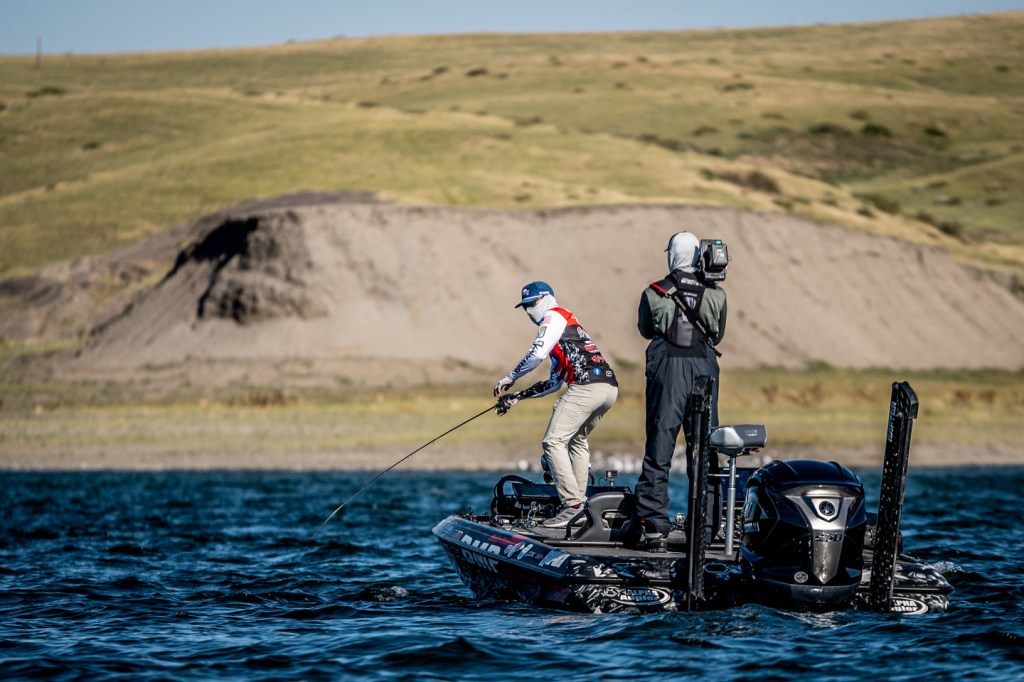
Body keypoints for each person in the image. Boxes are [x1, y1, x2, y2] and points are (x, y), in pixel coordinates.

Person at [493, 281, 619, 529]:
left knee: (552, 442)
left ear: (545, 299)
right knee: (577, 440)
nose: (529, 311)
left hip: (587, 386)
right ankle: (581, 507)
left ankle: (572, 506)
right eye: (524, 307)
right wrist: (516, 396)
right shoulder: (566, 328)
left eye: (531, 304)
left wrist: (510, 377)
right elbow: (553, 383)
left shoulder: (553, 317)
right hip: (608, 388)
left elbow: (536, 354)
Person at [634, 232, 727, 551]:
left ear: (671, 256)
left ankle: (654, 527)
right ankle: (706, 528)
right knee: (705, 448)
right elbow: (718, 333)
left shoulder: (653, 292)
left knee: (660, 446)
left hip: (667, 370)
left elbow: (645, 329)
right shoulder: (716, 294)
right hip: (703, 368)